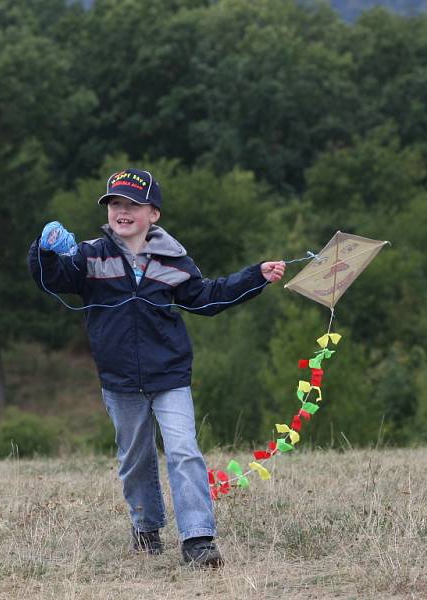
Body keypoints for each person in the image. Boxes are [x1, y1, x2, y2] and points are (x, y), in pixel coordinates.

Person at [27, 168, 285, 568]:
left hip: (170, 376)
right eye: (115, 203)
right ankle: (146, 528)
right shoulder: (90, 256)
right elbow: (53, 279)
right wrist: (44, 249)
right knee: (135, 458)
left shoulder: (174, 259)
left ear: (154, 214)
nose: (122, 211)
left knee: (184, 450)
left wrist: (256, 276)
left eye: (133, 204)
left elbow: (206, 298)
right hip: (120, 380)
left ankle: (198, 540)